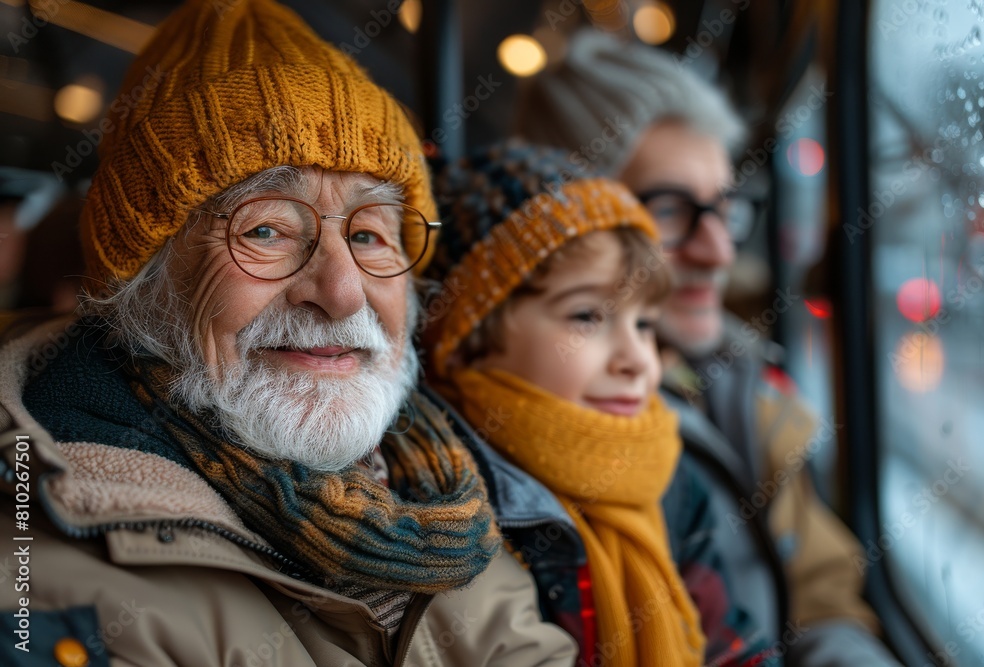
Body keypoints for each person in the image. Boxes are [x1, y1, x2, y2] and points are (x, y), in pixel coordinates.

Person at [0, 2, 578, 665]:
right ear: (142, 277)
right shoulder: (48, 583)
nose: (340, 292)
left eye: (368, 234)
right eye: (266, 229)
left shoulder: (456, 499)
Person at [515, 28, 901, 665]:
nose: (718, 250)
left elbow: (823, 597)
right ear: (567, 230)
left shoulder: (740, 381)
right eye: (669, 210)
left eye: (725, 208)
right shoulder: (547, 421)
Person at [419, 139, 779, 667]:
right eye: (587, 316)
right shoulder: (447, 499)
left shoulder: (671, 481)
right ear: (470, 336)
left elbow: (735, 650)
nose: (638, 361)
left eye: (645, 324)